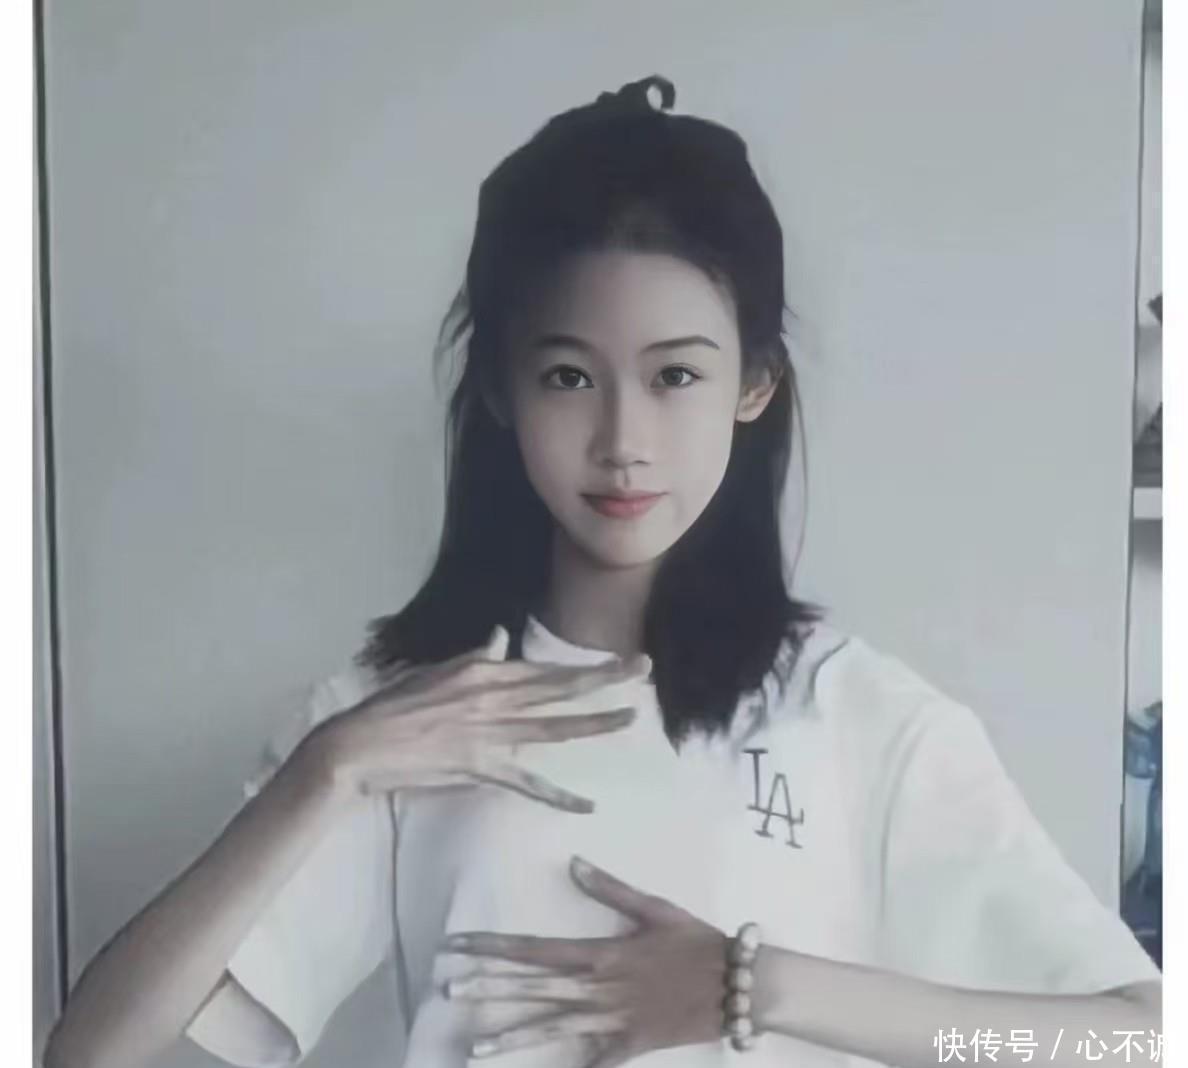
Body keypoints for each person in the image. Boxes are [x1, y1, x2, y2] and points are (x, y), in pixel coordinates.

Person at [44, 75, 1161, 1068]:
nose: (624, 442)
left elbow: (1131, 1040)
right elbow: (92, 1052)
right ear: (499, 390)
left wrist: (755, 989)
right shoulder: (399, 724)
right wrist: (324, 772)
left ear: (755, 384)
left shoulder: (862, 718)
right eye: (571, 378)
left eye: (675, 377)